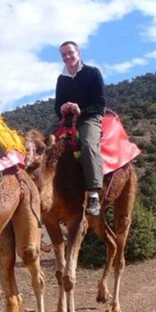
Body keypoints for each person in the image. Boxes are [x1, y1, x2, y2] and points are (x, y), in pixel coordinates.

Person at [54, 41, 106, 216]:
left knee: (88, 145)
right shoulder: (61, 79)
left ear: (79, 52)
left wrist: (81, 110)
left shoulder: (92, 73)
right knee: (44, 145)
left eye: (70, 53)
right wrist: (62, 109)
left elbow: (100, 104)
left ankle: (93, 195)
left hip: (90, 118)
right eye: (64, 55)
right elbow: (56, 107)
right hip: (67, 120)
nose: (67, 57)